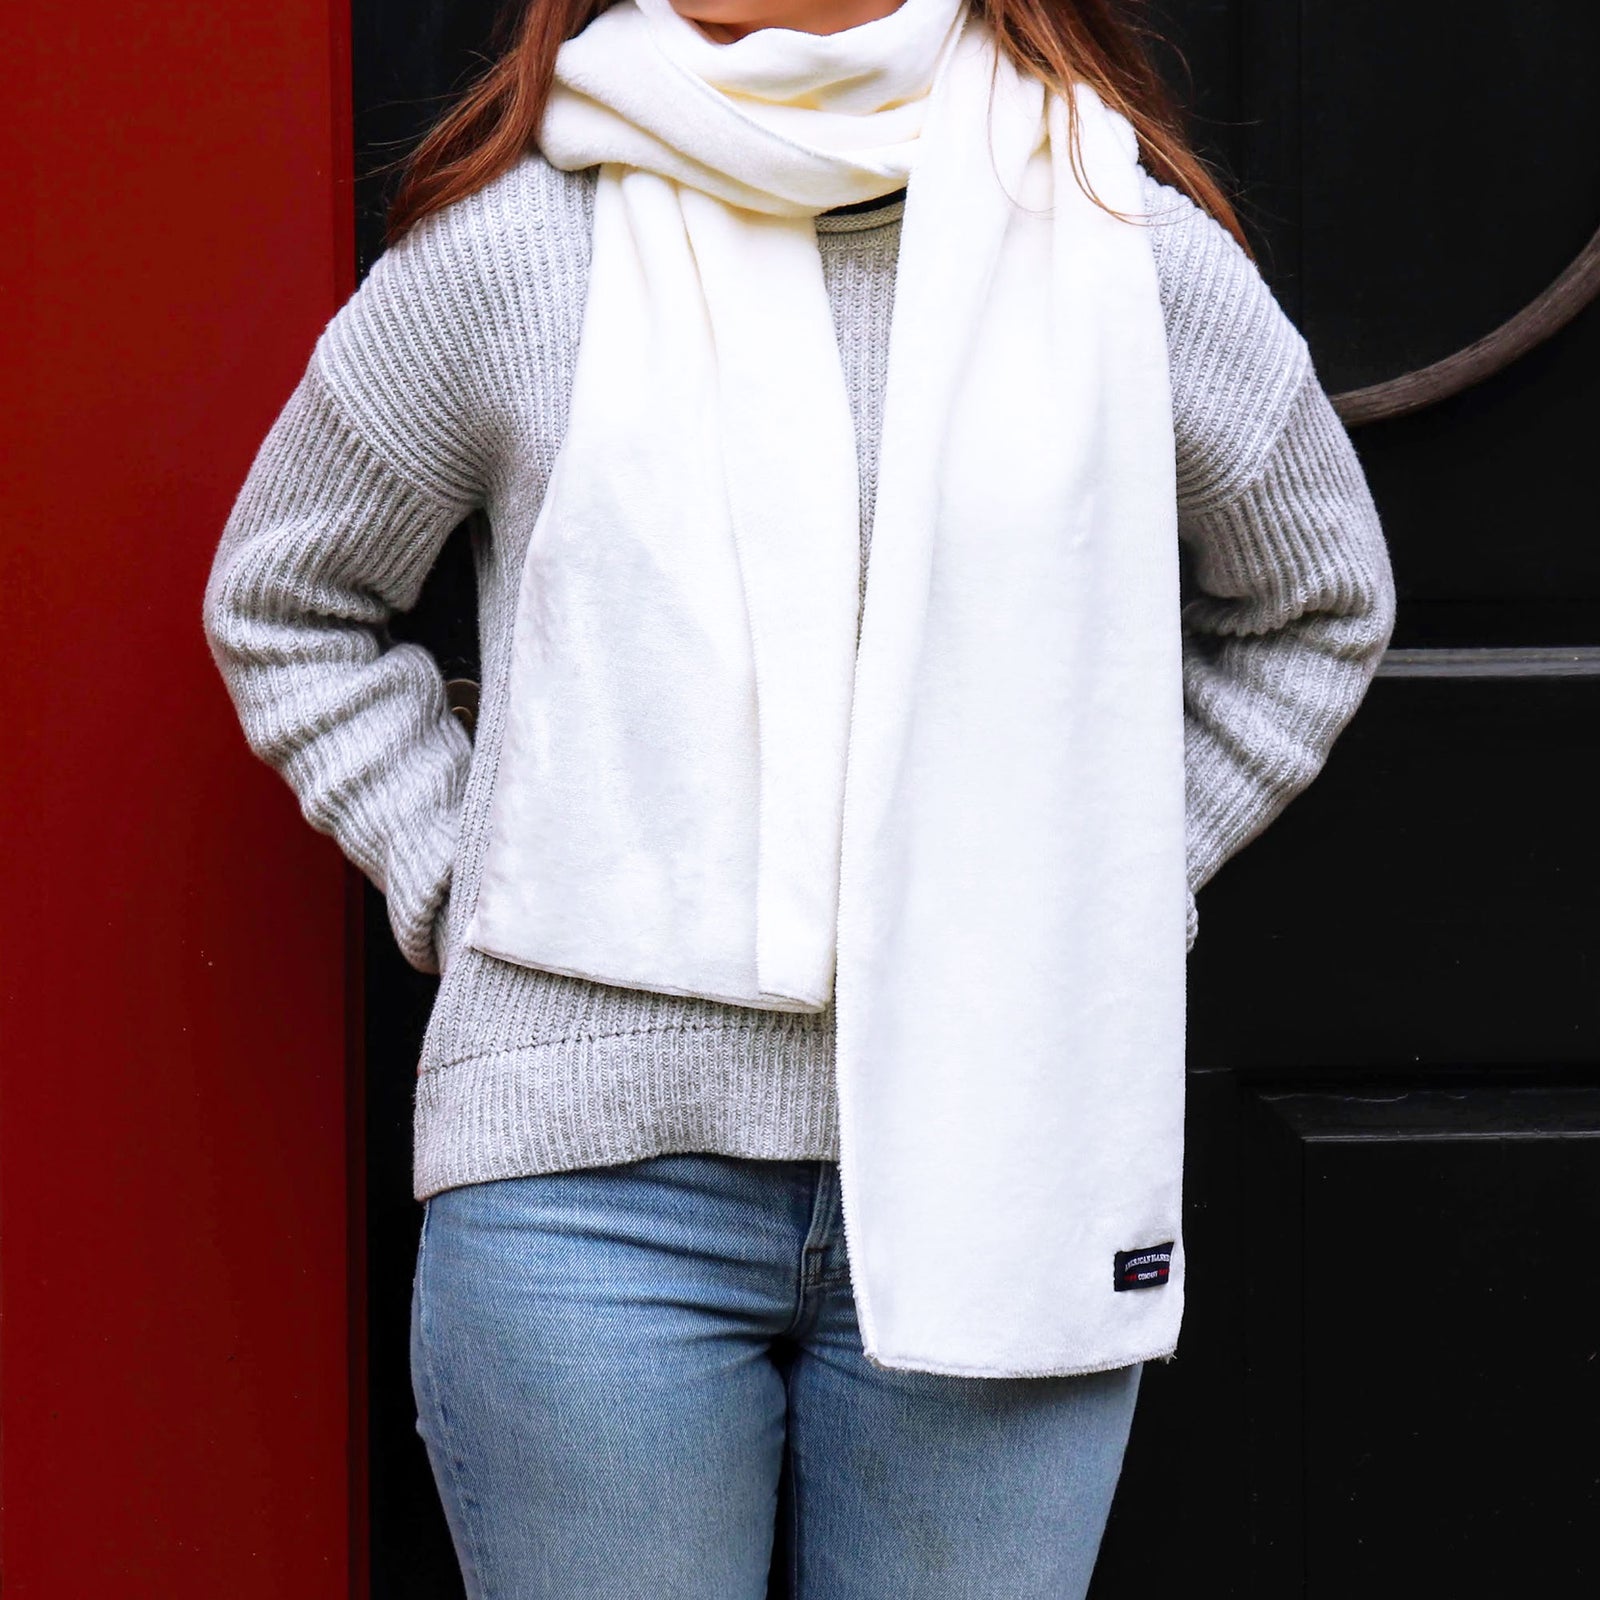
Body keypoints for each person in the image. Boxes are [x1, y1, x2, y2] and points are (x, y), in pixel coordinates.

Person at [202, 0, 1396, 1592]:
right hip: (584, 1204)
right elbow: (287, 600)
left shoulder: (1131, 256)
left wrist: (1108, 877)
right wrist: (459, 870)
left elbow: (1319, 600)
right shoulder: (511, 256)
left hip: (1006, 1161)